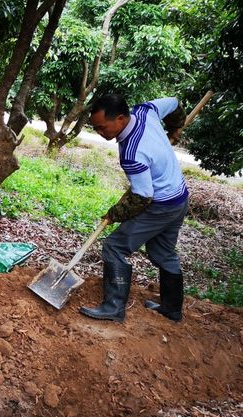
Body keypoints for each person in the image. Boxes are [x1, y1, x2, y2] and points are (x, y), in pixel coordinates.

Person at [79, 93, 188, 323]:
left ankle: (113, 307)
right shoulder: (146, 111)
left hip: (160, 205)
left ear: (120, 118)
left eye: (101, 127)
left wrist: (114, 213)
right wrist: (175, 127)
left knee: (114, 246)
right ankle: (172, 309)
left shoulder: (131, 153)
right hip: (179, 198)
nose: (99, 132)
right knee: (162, 252)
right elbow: (175, 103)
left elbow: (142, 198)